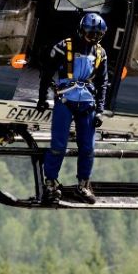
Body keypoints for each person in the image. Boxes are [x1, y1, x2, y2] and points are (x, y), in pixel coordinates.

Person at [36, 12, 108, 204]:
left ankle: (83, 185)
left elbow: (103, 83)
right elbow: (47, 72)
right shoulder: (63, 47)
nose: (92, 39)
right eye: (90, 34)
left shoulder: (100, 53)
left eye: (97, 36)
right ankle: (50, 183)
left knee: (88, 148)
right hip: (65, 101)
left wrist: (100, 110)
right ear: (81, 30)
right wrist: (42, 98)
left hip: (87, 105)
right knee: (58, 146)